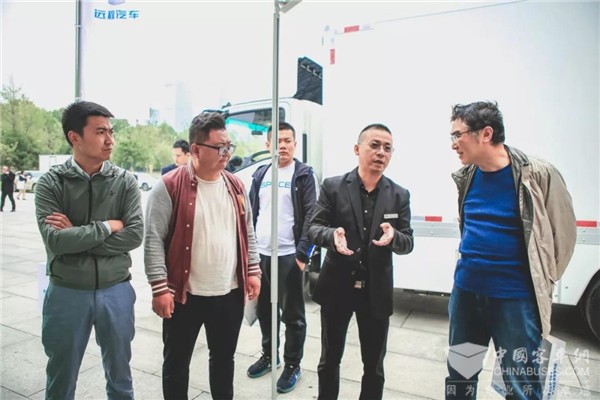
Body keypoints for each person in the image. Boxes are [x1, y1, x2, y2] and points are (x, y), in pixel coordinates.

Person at [445, 101, 576, 400]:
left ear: (485, 134)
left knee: (522, 386)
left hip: (515, 301)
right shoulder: (467, 176)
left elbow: (563, 236)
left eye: (457, 135)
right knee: (460, 377)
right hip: (466, 296)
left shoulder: (537, 174)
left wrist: (542, 281)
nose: (453, 144)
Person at [144, 111, 262, 400]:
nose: (227, 154)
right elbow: (153, 240)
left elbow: (247, 230)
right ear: (195, 149)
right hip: (185, 295)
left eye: (229, 146)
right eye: (220, 148)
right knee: (176, 363)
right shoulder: (169, 186)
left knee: (223, 360)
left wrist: (253, 270)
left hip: (229, 293)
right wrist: (160, 288)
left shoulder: (235, 185)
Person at [34, 101, 144, 400]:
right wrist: (107, 226)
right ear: (75, 137)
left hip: (117, 290)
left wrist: (76, 234)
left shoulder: (125, 182)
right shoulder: (51, 183)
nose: (110, 140)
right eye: (100, 132)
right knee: (61, 379)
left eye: (111, 131)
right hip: (66, 292)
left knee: (121, 379)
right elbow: (56, 241)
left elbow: (134, 235)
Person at [308, 123, 414, 400]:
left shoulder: (399, 195)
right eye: (374, 145)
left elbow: (408, 242)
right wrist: (332, 235)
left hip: (375, 291)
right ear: (357, 149)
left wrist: (394, 237)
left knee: (374, 366)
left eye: (387, 148)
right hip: (337, 287)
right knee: (329, 359)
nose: (381, 152)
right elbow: (314, 228)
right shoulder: (333, 187)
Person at [246, 122, 319, 393]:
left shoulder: (303, 174)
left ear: (295, 144)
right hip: (262, 255)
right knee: (265, 311)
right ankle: (269, 356)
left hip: (289, 256)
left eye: (288, 141)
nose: (283, 145)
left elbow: (313, 215)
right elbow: (252, 213)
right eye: (278, 141)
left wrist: (301, 256)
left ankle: (292, 365)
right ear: (268, 145)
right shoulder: (261, 174)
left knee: (293, 315)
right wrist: (250, 253)